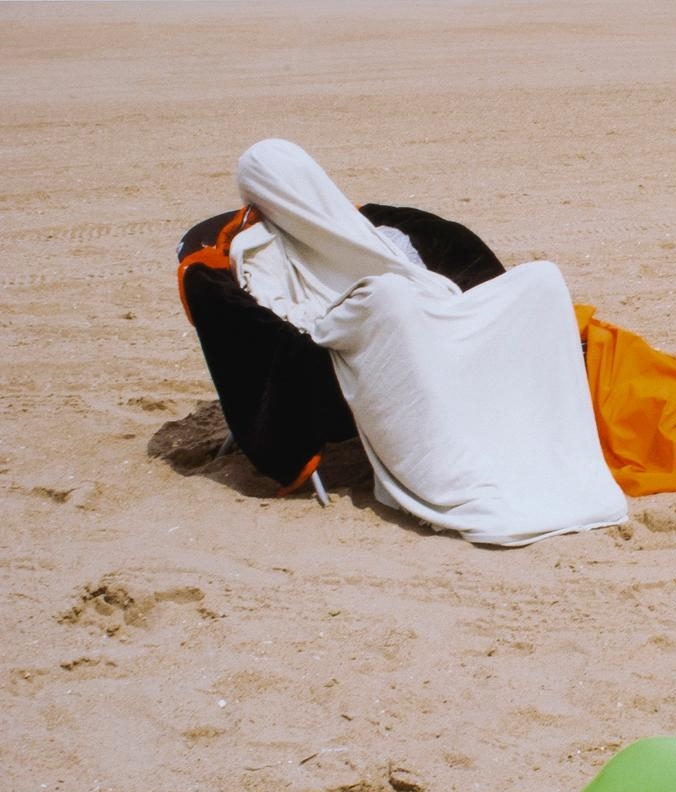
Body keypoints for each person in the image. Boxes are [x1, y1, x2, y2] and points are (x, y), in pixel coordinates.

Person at [229, 138, 629, 547]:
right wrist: (374, 301)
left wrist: (418, 294)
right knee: (390, 296)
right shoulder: (257, 246)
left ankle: (551, 445)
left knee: (540, 279)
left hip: (431, 309)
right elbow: (286, 321)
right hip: (368, 327)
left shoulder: (348, 222)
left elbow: (409, 269)